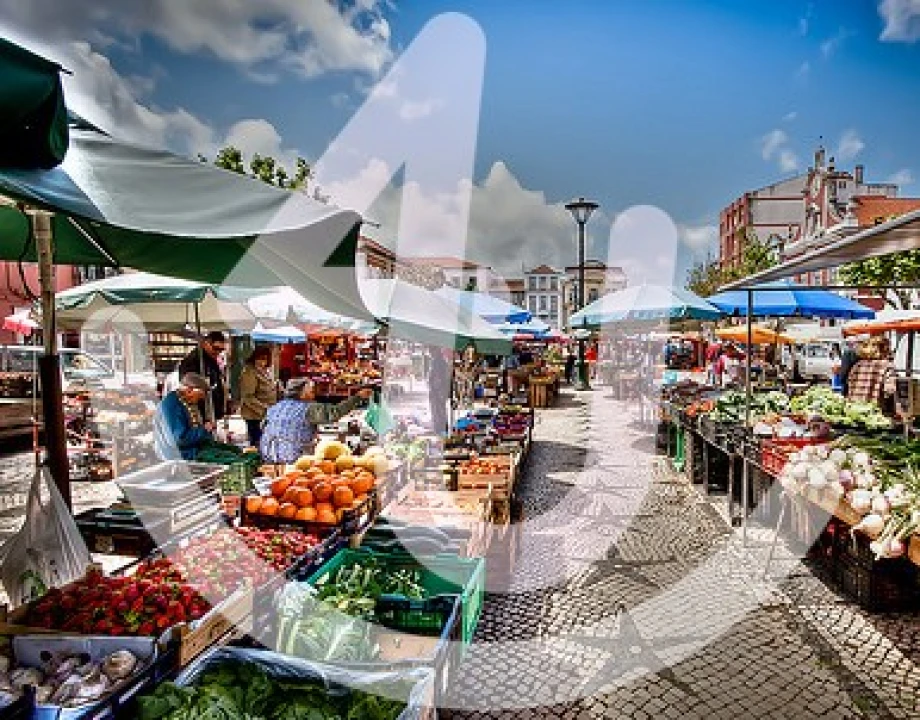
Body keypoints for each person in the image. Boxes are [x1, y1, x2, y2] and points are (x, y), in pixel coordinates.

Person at [260, 379, 373, 464]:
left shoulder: (276, 406)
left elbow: (263, 426)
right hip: (293, 457)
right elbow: (335, 412)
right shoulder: (308, 408)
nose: (314, 395)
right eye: (311, 391)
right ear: (302, 393)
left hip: (268, 453)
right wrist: (358, 397)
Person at [153, 373, 214, 461]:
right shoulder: (172, 404)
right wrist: (204, 430)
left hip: (190, 450)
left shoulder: (183, 399)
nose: (200, 399)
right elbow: (179, 439)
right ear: (189, 390)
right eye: (200, 395)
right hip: (178, 455)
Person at [179, 331, 228, 421]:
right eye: (216, 348)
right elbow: (187, 386)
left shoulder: (211, 359)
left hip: (212, 412)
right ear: (206, 343)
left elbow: (215, 382)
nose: (218, 352)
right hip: (201, 414)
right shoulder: (193, 360)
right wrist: (199, 392)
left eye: (221, 350)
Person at [239, 346, 276, 447]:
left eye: (264, 359)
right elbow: (248, 397)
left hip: (264, 414)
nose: (261, 362)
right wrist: (264, 408)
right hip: (254, 415)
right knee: (257, 442)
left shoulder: (265, 371)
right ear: (254, 358)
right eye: (259, 358)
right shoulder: (249, 372)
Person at [847, 337, 896, 408]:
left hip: (854, 408)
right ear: (885, 349)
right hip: (873, 410)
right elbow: (889, 390)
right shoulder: (887, 366)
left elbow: (850, 385)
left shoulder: (857, 365)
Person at [428, 347, 453, 435]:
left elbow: (438, 378)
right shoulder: (439, 361)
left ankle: (440, 429)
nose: (429, 353)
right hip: (439, 391)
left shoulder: (437, 362)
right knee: (439, 411)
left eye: (430, 350)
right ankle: (441, 429)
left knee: (438, 411)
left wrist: (438, 391)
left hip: (437, 391)